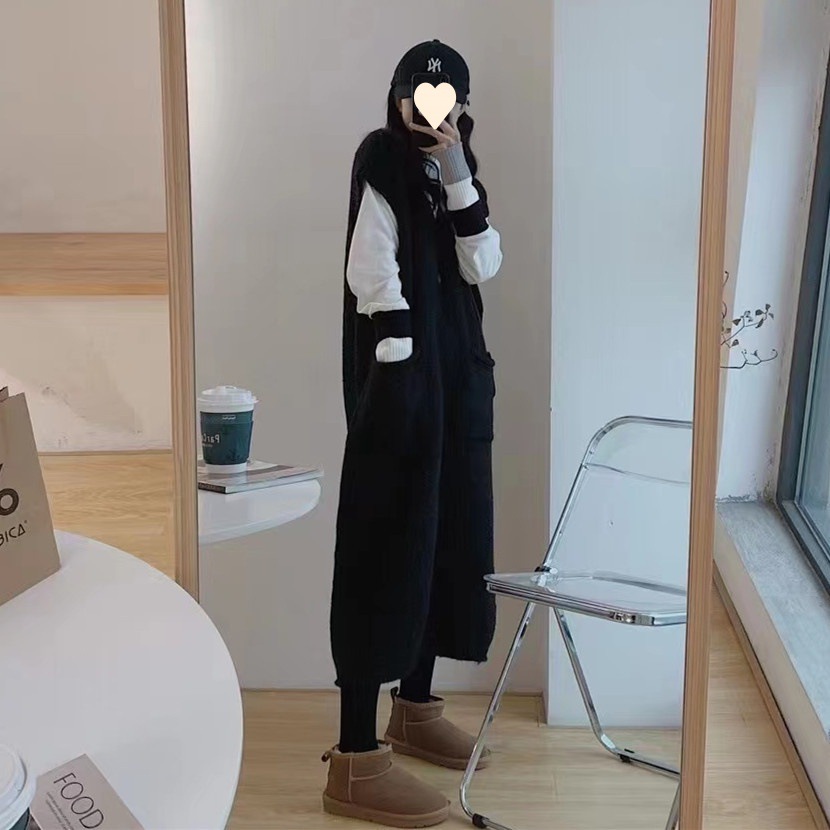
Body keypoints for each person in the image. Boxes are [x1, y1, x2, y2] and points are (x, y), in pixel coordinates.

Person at [323, 39, 503, 827]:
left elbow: (482, 263)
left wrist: (458, 168)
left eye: (443, 100)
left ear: (459, 105)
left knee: (445, 540)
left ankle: (415, 711)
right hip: (404, 391)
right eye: (416, 97)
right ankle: (355, 760)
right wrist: (400, 362)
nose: (427, 112)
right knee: (384, 548)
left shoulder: (455, 169)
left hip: (458, 388)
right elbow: (370, 267)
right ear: (396, 97)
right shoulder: (381, 159)